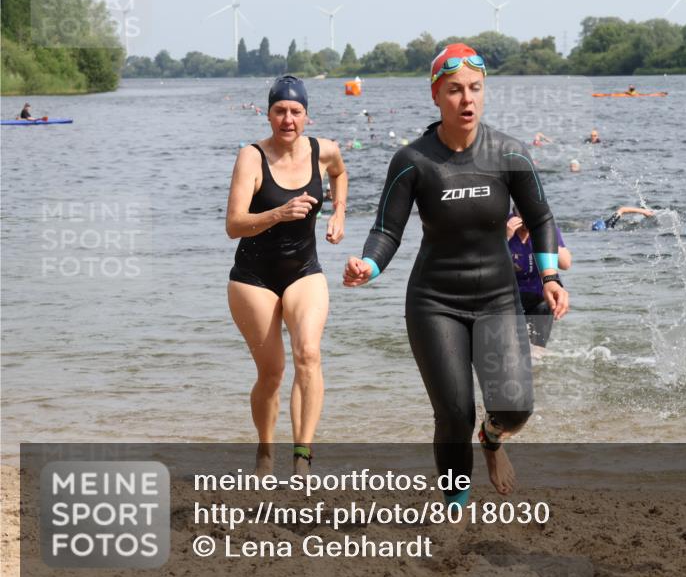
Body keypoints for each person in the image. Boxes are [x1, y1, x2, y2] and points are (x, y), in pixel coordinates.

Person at [343, 44, 569, 506]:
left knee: (515, 408)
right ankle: (456, 506)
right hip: (434, 301)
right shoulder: (413, 160)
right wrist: (368, 265)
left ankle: (492, 440)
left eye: (474, 89)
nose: (466, 99)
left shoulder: (509, 153)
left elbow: (541, 219)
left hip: (498, 300)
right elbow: (387, 230)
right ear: (436, 96)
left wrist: (550, 278)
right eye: (454, 90)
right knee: (453, 413)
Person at [225, 75, 348, 477]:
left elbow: (340, 174)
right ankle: (265, 449)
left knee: (308, 353)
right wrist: (279, 213)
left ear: (307, 117)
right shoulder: (251, 157)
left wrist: (339, 211)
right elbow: (234, 224)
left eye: (296, 112)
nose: (288, 119)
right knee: (272, 372)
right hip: (253, 278)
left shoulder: (324, 151)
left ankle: (302, 455)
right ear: (269, 113)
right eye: (280, 111)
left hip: (304, 271)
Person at [507, 208, 572, 353]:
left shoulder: (545, 227)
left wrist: (545, 237)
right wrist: (505, 238)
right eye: (523, 212)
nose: (528, 219)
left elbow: (565, 264)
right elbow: (487, 265)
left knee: (536, 351)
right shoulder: (502, 225)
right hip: (510, 297)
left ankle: (538, 371)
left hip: (539, 296)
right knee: (510, 349)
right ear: (515, 211)